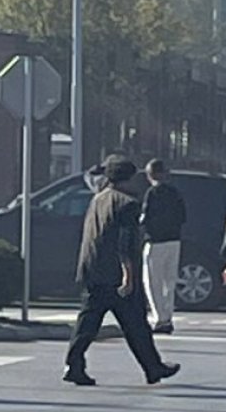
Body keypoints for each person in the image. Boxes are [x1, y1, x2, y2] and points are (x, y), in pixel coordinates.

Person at [64, 155, 180, 386]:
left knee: (89, 322)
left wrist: (105, 166)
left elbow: (90, 174)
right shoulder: (127, 204)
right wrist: (128, 274)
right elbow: (125, 242)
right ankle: (153, 367)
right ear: (128, 178)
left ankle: (74, 364)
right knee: (135, 323)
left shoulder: (100, 196)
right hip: (115, 274)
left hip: (93, 268)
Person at [140, 159, 186, 335]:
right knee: (169, 281)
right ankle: (168, 317)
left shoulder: (152, 193)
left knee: (153, 282)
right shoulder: (175, 192)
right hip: (174, 240)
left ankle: (160, 318)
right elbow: (182, 216)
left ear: (151, 174)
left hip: (155, 241)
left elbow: (145, 217)